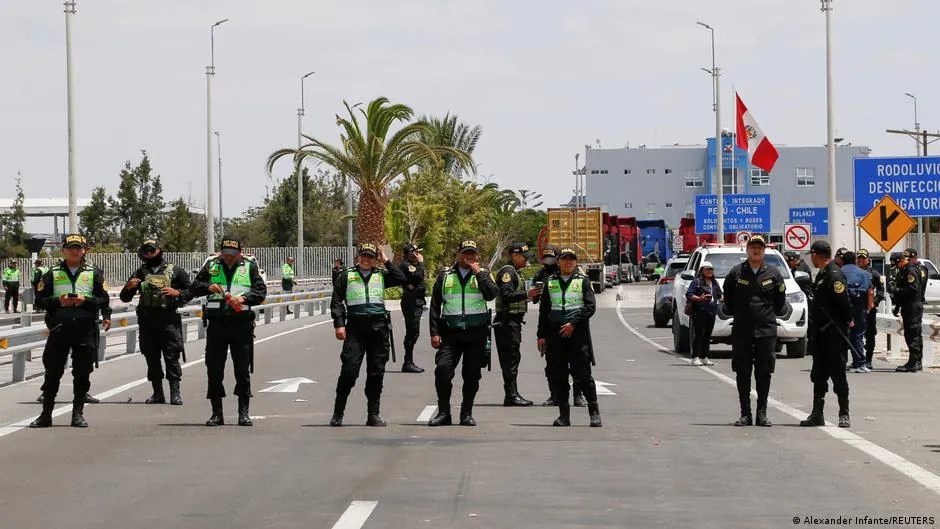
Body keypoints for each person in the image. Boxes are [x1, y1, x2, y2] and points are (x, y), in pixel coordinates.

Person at [29, 234, 110, 428]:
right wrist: (59, 301)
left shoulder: (94, 272)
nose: (75, 251)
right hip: (59, 329)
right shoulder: (51, 273)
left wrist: (87, 301)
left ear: (85, 250)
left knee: (82, 374)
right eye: (71, 247)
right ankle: (46, 415)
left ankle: (78, 414)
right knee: (52, 373)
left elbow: (104, 299)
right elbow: (40, 301)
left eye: (78, 247)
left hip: (85, 329)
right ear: (63, 250)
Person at [190, 237, 267, 426]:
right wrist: (208, 287)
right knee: (214, 369)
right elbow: (194, 287)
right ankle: (217, 413)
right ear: (221, 252)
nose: (229, 258)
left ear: (240, 253)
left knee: (242, 369)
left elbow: (260, 291)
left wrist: (244, 299)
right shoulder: (212, 266)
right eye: (225, 254)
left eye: (232, 255)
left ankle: (243, 413)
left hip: (241, 324)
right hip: (217, 324)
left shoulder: (249, 266)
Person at [328, 243, 406, 427]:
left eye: (370, 256)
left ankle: (373, 414)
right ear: (358, 257)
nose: (366, 259)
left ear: (375, 258)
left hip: (378, 328)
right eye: (363, 255)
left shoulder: (381, 275)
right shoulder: (346, 275)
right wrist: (339, 324)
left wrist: (386, 260)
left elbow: (401, 277)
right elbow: (337, 300)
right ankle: (338, 413)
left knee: (376, 372)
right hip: (355, 328)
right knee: (349, 371)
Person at [427, 240, 499, 426]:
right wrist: (434, 332)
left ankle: (466, 413)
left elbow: (492, 294)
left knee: (472, 373)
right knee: (442, 371)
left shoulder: (483, 275)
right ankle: (444, 413)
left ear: (477, 256)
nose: (469, 256)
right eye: (465, 253)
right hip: (451, 333)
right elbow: (435, 305)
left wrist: (479, 273)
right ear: (458, 254)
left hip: (476, 333)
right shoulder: (445, 276)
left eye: (472, 253)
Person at [722, 235, 786, 427]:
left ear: (764, 251)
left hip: (766, 330)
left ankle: (762, 414)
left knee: (764, 372)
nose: (756, 250)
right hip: (742, 330)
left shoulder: (774, 274)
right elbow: (729, 299)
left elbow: (780, 302)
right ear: (747, 250)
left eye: (760, 247)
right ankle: (745, 414)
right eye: (753, 247)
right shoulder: (736, 273)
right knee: (742, 371)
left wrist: (766, 315)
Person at [119, 240, 192, 405]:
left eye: (152, 250)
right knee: (151, 358)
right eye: (146, 251)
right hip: (147, 321)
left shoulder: (175, 271)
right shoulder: (140, 272)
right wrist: (129, 286)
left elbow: (190, 291)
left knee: (171, 356)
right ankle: (157, 393)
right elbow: (125, 298)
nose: (149, 254)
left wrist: (177, 293)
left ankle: (175, 393)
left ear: (159, 250)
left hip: (168, 320)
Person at [537, 247, 601, 427]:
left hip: (577, 335)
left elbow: (590, 307)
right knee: (559, 376)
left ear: (576, 262)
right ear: (558, 262)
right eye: (564, 259)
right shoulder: (550, 282)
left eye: (571, 259)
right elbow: (544, 311)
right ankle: (564, 415)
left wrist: (573, 323)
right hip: (555, 336)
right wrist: (541, 335)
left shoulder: (583, 281)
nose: (568, 262)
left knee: (583, 375)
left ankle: (594, 413)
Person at [801, 241, 853, 428]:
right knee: (818, 375)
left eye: (811, 256)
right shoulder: (822, 275)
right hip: (821, 334)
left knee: (838, 374)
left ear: (816, 255)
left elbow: (845, 305)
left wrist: (844, 322)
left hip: (834, 334)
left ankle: (844, 414)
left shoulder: (834, 274)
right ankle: (817, 413)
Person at [529, 245, 586, 407]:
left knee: (577, 364)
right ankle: (555, 395)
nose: (550, 264)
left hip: (572, 324)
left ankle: (577, 395)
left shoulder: (577, 275)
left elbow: (587, 303)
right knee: (552, 364)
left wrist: (575, 323)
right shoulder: (542, 274)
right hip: (551, 324)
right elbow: (538, 302)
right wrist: (541, 334)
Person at [494, 242, 536, 406]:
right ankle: (511, 395)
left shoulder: (516, 272)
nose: (526, 261)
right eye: (524, 257)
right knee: (510, 359)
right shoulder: (508, 272)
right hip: (506, 321)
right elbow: (506, 295)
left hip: (512, 322)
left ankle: (512, 393)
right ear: (514, 256)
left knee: (513, 358)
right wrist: (527, 294)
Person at [841, 251, 873, 373]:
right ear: (855, 260)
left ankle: (841, 362)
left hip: (842, 306)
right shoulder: (863, 273)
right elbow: (870, 291)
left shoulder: (839, 272)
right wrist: (869, 308)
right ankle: (859, 362)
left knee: (842, 335)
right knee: (858, 335)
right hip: (859, 307)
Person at [685, 261, 721, 367]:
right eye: (707, 269)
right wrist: (700, 298)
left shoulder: (714, 282)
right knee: (699, 334)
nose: (709, 271)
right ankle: (696, 357)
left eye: (711, 269)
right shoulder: (697, 282)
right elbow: (689, 294)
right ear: (702, 270)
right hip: (700, 311)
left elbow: (719, 294)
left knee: (707, 335)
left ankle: (705, 357)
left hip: (711, 312)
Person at [893, 250, 923, 373]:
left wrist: (897, 290)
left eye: (897, 264)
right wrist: (897, 307)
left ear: (901, 260)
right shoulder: (904, 270)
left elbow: (913, 289)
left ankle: (913, 362)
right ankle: (916, 361)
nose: (897, 267)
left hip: (913, 306)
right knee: (912, 333)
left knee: (912, 334)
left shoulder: (910, 270)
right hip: (908, 305)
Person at [398, 243, 426, 374]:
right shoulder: (406, 266)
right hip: (411, 302)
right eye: (413, 253)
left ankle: (408, 361)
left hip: (417, 301)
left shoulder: (412, 266)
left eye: (417, 253)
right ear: (408, 254)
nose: (417, 255)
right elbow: (418, 277)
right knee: (412, 332)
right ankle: (407, 362)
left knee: (414, 332)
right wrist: (421, 263)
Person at [857, 249, 884, 371]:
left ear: (868, 260)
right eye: (859, 258)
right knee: (856, 335)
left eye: (863, 258)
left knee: (870, 334)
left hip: (869, 310)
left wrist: (875, 302)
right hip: (857, 308)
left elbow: (881, 290)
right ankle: (857, 359)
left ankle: (868, 360)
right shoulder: (854, 273)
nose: (861, 260)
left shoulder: (874, 274)